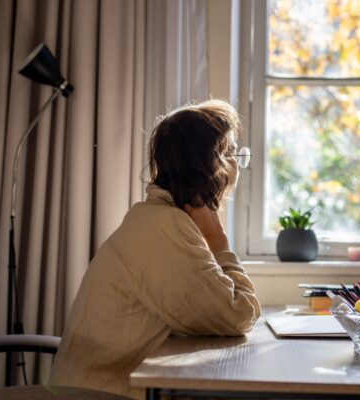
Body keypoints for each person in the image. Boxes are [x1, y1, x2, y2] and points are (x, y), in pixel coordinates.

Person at [49, 100, 261, 399]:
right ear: (212, 165)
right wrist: (218, 239)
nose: (238, 166)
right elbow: (238, 315)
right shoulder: (165, 227)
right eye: (234, 154)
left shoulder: (160, 219)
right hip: (99, 393)